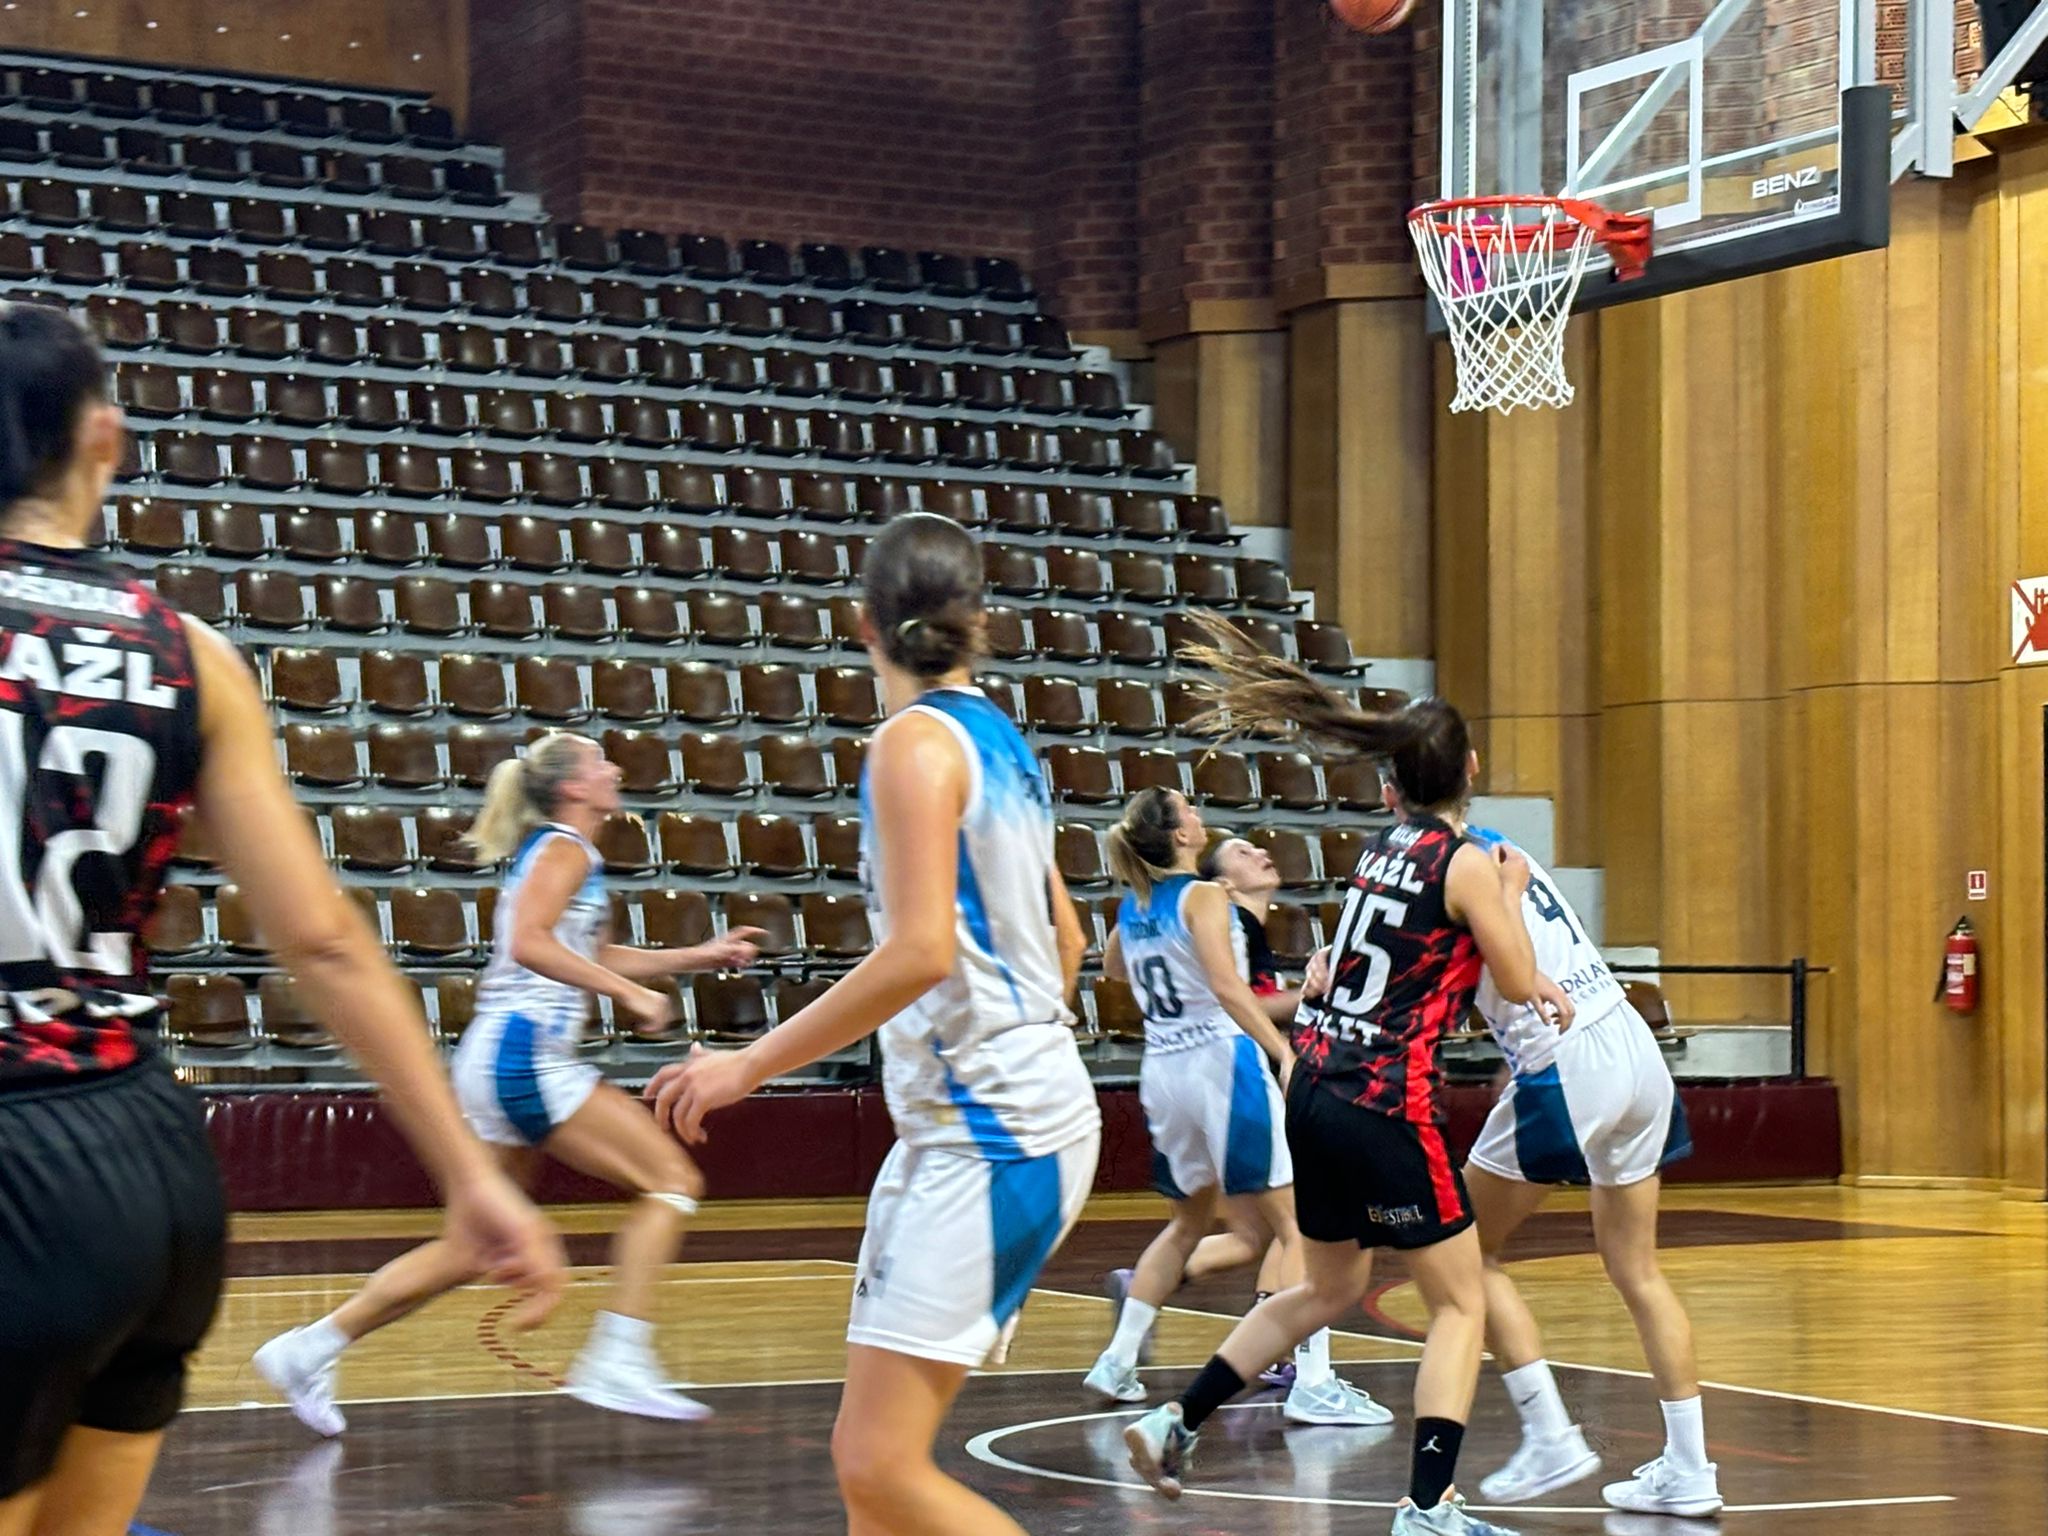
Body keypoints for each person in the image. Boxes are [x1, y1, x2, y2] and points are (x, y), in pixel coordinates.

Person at [0, 302, 564, 1536]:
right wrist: (468, 1174)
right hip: (149, 1173)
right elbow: (321, 941)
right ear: (105, 438)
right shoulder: (187, 653)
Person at [647, 513, 1101, 1536]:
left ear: (862, 625)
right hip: (980, 1116)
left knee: (878, 1466)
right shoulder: (1001, 740)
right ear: (976, 620)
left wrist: (746, 1066)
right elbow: (1067, 934)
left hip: (996, 1128)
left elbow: (920, 953)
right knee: (871, 1481)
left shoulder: (911, 744)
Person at [1122, 619, 1570, 1536]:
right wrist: (1513, 892)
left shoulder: (1378, 849)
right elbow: (1517, 976)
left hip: (1316, 1085)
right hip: (1386, 1100)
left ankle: (1176, 1420)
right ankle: (1429, 1508)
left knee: (1322, 1290)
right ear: (1471, 768)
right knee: (1460, 1302)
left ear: (1392, 784)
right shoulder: (1463, 863)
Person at [256, 732, 761, 1431]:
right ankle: (619, 1356)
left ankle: (307, 1349)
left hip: (498, 1055)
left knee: (473, 1246)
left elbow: (591, 950)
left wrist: (697, 957)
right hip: (525, 1055)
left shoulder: (565, 852)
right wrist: (626, 995)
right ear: (573, 786)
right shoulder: (566, 849)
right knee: (671, 1182)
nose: (614, 768)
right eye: (599, 761)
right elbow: (529, 942)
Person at [1084, 790, 1389, 1431]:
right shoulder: (1202, 896)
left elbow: (1112, 968)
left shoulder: (1135, 903)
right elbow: (1227, 988)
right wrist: (1282, 1050)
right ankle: (1314, 1382)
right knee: (1299, 1227)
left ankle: (1116, 1361)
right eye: (1187, 810)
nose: (1198, 814)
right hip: (1220, 1063)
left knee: (1186, 1224)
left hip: (1162, 1069)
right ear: (1179, 836)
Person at [1449, 825, 1717, 1517]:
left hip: (1567, 1056)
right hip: (1631, 1041)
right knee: (1638, 1269)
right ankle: (1690, 1469)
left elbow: (1502, 971)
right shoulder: (1503, 844)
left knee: (1460, 1251)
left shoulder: (1443, 869)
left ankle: (1550, 1434)